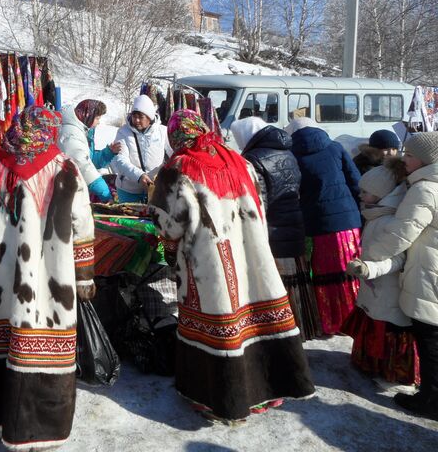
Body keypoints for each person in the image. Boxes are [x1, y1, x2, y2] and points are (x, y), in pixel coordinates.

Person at [0, 106, 96, 449]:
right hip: (44, 280)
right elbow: (83, 225)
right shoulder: (63, 168)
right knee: (35, 339)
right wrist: (84, 275)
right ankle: (35, 429)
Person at [149, 109, 315, 422]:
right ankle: (268, 388)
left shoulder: (179, 167)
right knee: (255, 316)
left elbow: (169, 224)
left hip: (208, 262)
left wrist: (169, 251)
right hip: (252, 253)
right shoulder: (237, 159)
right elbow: (260, 203)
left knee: (221, 322)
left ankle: (222, 398)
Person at [363, 132, 438, 420]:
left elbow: (400, 234)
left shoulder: (425, 189)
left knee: (430, 337)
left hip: (428, 270)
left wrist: (370, 259)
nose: (402, 159)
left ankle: (431, 400)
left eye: (408, 155)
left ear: (425, 159)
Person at [230, 117, 322, 341]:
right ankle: (302, 327)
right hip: (294, 223)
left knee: (277, 284)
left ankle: (282, 333)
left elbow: (257, 202)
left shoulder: (252, 159)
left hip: (273, 229)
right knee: (296, 281)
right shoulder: (286, 151)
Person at [341, 162, 419, 385]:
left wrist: (369, 269)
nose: (360, 194)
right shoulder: (377, 215)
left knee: (386, 326)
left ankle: (388, 369)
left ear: (382, 194)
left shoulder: (388, 220)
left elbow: (397, 258)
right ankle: (372, 363)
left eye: (366, 191)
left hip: (386, 286)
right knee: (375, 319)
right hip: (375, 286)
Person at [288, 117, 361, 336]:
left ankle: (331, 322)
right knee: (351, 272)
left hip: (316, 224)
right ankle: (356, 322)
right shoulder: (336, 148)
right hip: (348, 222)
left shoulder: (293, 155)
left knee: (324, 275)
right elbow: (355, 181)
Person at [112, 94, 172, 203]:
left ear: (149, 117)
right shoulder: (123, 132)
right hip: (129, 190)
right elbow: (121, 160)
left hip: (155, 189)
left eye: (141, 117)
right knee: (130, 218)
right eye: (134, 116)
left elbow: (173, 154)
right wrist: (139, 176)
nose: (137, 120)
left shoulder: (163, 132)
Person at [58, 99, 120, 202]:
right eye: (97, 118)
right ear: (88, 115)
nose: (98, 122)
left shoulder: (80, 130)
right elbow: (83, 166)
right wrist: (104, 192)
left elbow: (89, 159)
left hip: (75, 189)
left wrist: (108, 153)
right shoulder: (71, 134)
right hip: (66, 193)